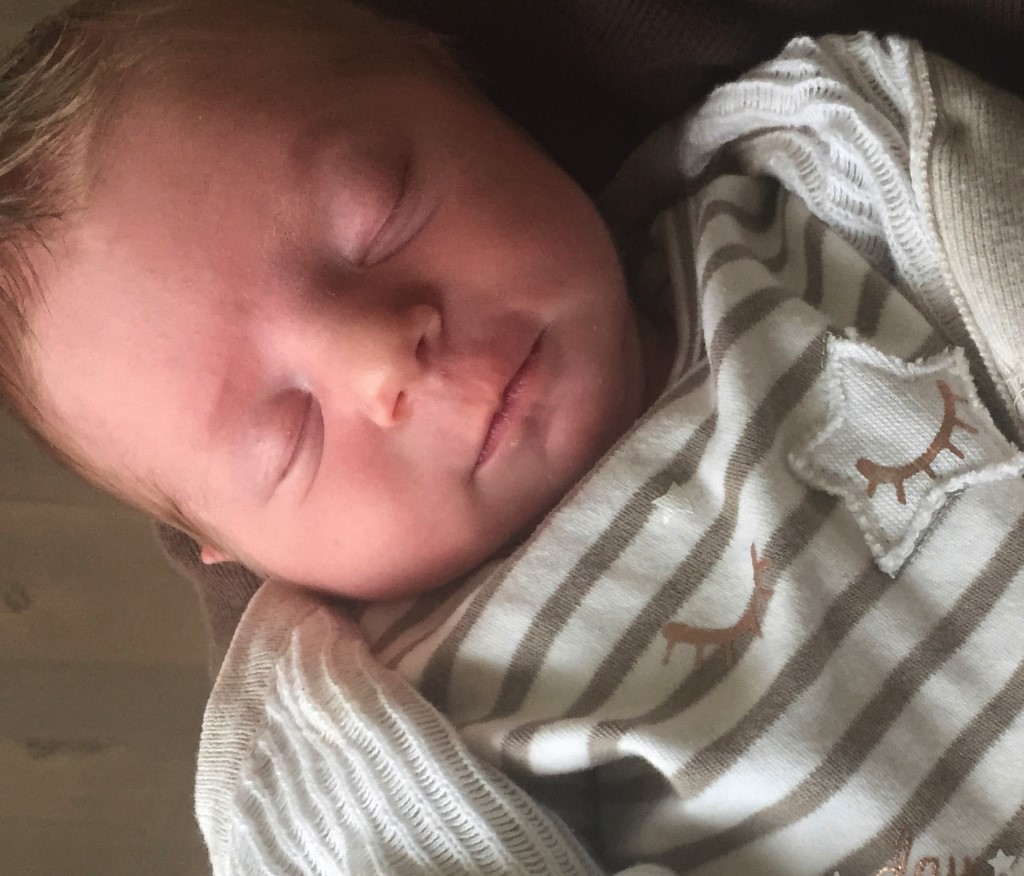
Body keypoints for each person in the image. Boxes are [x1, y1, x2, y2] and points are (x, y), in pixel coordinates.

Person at [4, 1, 1024, 873]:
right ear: (231, 551)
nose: (383, 360)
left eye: (380, 215)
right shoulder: (369, 725)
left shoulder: (804, 187)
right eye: (287, 436)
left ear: (472, 98)